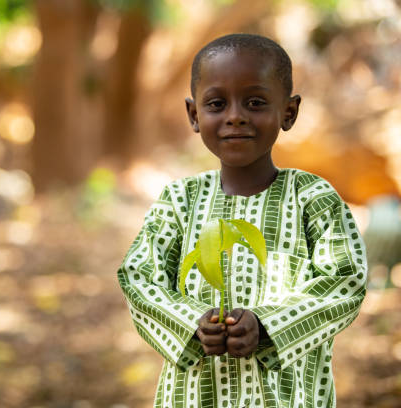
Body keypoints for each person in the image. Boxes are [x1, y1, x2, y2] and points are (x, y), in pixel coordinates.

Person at [117, 33, 367, 408]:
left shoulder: (312, 198)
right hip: (194, 395)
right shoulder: (179, 201)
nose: (235, 115)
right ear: (193, 115)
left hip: (288, 397)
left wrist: (267, 324)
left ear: (289, 111)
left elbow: (344, 282)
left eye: (255, 102)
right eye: (217, 103)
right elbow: (139, 276)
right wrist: (191, 324)